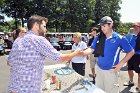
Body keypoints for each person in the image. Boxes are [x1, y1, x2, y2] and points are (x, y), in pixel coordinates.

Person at [7, 15, 82, 93]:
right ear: (36, 25)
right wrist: (76, 53)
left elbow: (9, 62)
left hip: (13, 88)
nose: (45, 29)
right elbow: (60, 58)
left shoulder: (17, 40)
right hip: (29, 88)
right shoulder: (39, 40)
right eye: (44, 26)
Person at [82, 16, 134, 93]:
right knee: (98, 91)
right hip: (99, 70)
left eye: (104, 26)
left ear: (110, 25)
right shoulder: (99, 37)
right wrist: (81, 53)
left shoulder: (119, 38)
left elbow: (131, 51)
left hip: (111, 72)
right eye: (101, 26)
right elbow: (92, 49)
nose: (102, 28)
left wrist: (121, 63)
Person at [123, 22, 140, 92]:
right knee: (129, 69)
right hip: (130, 55)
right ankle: (131, 81)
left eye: (137, 27)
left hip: (138, 56)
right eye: (134, 27)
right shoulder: (130, 36)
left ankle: (139, 87)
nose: (135, 28)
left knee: (139, 71)